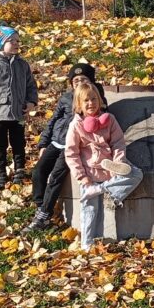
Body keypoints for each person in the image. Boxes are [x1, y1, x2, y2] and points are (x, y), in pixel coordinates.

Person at [26, 62, 107, 232]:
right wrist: (43, 143)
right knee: (38, 172)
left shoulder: (94, 98)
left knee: (56, 176)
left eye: (83, 79)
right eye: (75, 80)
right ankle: (41, 208)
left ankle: (44, 215)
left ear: (91, 82)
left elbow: (100, 119)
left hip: (71, 146)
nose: (79, 83)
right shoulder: (65, 98)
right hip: (56, 141)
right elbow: (53, 120)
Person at [64, 82, 143, 251]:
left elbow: (118, 143)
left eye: (94, 99)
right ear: (79, 104)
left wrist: (118, 163)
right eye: (86, 100)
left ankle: (105, 191)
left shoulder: (110, 120)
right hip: (90, 173)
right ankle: (87, 244)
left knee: (136, 174)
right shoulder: (76, 125)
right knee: (91, 211)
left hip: (110, 170)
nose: (91, 103)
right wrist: (82, 177)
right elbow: (71, 153)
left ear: (100, 100)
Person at [0, 25, 38, 190]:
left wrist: (31, 102)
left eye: (18, 40)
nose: (17, 43)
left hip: (18, 113)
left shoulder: (22, 65)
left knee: (19, 143)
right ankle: (1, 172)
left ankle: (20, 170)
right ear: (1, 43)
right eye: (12, 41)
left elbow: (31, 86)